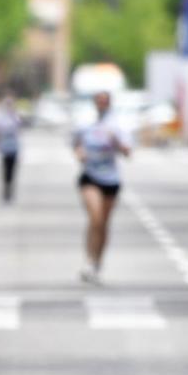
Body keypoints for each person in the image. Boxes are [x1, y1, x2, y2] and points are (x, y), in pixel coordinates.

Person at [73, 91, 132, 285]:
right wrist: (79, 152)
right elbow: (76, 144)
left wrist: (116, 142)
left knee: (104, 224)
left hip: (111, 179)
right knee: (95, 218)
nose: (101, 104)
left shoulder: (117, 125)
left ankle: (98, 261)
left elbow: (127, 152)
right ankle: (89, 260)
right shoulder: (85, 124)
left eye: (105, 101)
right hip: (90, 176)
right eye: (98, 101)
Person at [0, 92, 23, 203]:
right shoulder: (1, 117)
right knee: (5, 170)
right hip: (4, 148)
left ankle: (10, 189)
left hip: (13, 148)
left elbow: (19, 127)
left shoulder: (15, 116)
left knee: (12, 171)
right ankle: (5, 190)